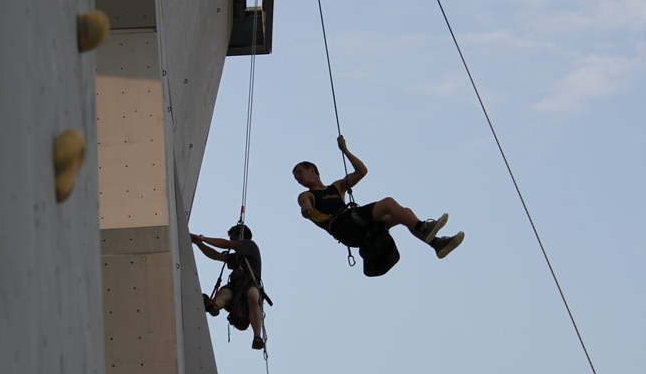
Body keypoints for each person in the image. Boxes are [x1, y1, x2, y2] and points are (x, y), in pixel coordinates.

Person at [293, 135, 464, 259]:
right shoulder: (307, 195)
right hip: (346, 227)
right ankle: (423, 227)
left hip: (358, 227)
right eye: (296, 177)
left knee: (403, 212)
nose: (298, 178)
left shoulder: (336, 187)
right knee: (388, 203)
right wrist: (306, 210)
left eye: (300, 172)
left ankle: (436, 244)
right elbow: (305, 204)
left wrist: (345, 150)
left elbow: (361, 172)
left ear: (312, 170)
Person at [190, 224, 266, 350]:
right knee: (224, 293)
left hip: (250, 284)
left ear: (240, 236)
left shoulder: (249, 245)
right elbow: (216, 255)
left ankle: (257, 337)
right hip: (236, 286)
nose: (232, 241)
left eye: (233, 238)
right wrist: (198, 243)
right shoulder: (237, 256)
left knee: (253, 295)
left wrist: (202, 238)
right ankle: (213, 306)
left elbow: (227, 245)